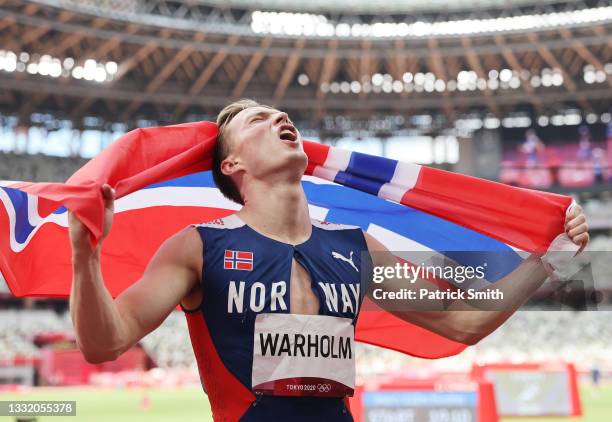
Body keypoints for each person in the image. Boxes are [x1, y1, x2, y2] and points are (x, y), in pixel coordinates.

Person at [68, 99, 590, 421]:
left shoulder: (354, 246)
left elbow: (462, 320)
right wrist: (83, 256)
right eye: (258, 120)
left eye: (280, 115)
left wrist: (547, 261)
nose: (280, 117)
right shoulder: (198, 246)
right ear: (232, 164)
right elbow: (104, 341)